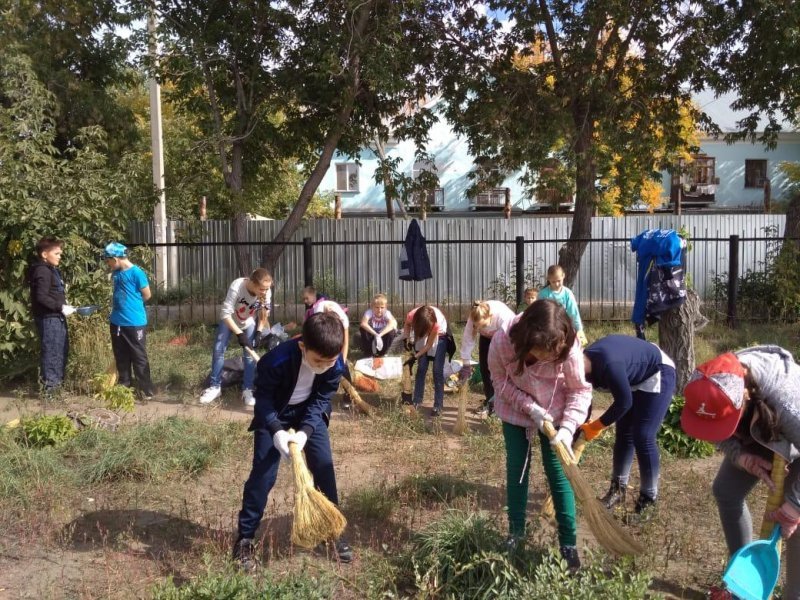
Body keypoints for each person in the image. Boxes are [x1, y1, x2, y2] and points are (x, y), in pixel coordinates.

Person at [232, 312, 352, 571]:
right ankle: (245, 538)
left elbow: (321, 400)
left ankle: (330, 529)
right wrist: (276, 430)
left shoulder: (336, 365)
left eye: (328, 362)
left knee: (323, 467)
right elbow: (263, 400)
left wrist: (305, 432)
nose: (323, 366)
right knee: (263, 476)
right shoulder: (275, 361)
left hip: (309, 414)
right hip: (276, 413)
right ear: (302, 346)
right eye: (318, 361)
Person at [681, 348, 799, 598]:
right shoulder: (706, 384)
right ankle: (744, 582)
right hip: (758, 426)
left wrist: (794, 505)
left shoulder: (787, 399)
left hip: (791, 434)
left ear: (744, 396)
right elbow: (712, 430)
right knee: (726, 491)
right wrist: (742, 457)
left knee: (796, 522)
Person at [488, 299, 592, 570]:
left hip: (555, 414)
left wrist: (568, 428)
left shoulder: (566, 346)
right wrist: (528, 407)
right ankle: (516, 534)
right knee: (517, 470)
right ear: (524, 341)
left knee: (559, 474)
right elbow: (498, 381)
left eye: (551, 355)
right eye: (541, 353)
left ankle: (568, 544)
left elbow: (579, 390)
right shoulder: (502, 342)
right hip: (515, 408)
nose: (547, 359)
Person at [579, 335, 676, 515]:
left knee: (643, 436)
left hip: (657, 371)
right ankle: (617, 491)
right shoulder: (583, 366)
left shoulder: (609, 366)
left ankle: (648, 501)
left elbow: (624, 403)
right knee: (624, 435)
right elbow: (583, 398)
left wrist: (596, 426)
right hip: (633, 376)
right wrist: (583, 423)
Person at [200, 269, 272, 407]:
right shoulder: (237, 286)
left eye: (267, 289)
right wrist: (239, 334)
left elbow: (264, 314)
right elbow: (225, 314)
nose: (265, 292)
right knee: (218, 349)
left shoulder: (266, 291)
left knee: (249, 355)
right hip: (230, 320)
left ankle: (248, 389)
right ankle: (215, 387)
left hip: (249, 321)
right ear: (252, 282)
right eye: (262, 289)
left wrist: (258, 332)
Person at [103, 242, 155, 400]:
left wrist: (133, 307)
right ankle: (124, 387)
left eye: (108, 260)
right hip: (117, 322)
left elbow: (147, 295)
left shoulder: (136, 273)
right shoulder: (117, 273)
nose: (107, 264)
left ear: (115, 258)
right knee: (121, 355)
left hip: (134, 322)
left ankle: (146, 390)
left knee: (138, 356)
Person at [28, 236, 76, 395]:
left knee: (61, 349)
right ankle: (51, 390)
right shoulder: (42, 270)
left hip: (56, 316)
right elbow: (41, 297)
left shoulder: (51, 270)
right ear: (44, 254)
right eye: (56, 253)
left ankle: (56, 386)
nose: (60, 256)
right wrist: (60, 306)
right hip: (49, 318)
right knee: (52, 351)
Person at [459, 300, 516, 417]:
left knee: (501, 372)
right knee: (485, 369)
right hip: (486, 339)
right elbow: (468, 339)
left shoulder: (503, 316)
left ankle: (505, 403)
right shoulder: (474, 316)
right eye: (478, 327)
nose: (481, 328)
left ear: (490, 316)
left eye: (484, 326)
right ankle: (490, 402)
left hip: (506, 339)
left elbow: (512, 340)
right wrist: (466, 364)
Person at [402, 305, 448, 417]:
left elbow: (428, 346)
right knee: (421, 368)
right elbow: (407, 325)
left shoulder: (436, 325)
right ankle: (417, 401)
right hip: (422, 331)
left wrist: (414, 357)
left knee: (437, 371)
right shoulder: (411, 316)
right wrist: (406, 338)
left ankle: (438, 405)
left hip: (440, 337)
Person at [538, 265, 588, 346]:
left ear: (563, 276)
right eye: (553, 282)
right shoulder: (543, 294)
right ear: (548, 279)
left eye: (559, 281)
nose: (557, 284)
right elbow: (539, 312)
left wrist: (579, 329)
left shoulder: (567, 293)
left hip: (564, 326)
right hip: (549, 326)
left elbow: (574, 312)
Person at [359, 293, 397, 358]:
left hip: (383, 333)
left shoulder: (387, 313)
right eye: (377, 307)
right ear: (372, 307)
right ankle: (369, 353)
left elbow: (392, 324)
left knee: (392, 331)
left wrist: (380, 335)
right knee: (363, 329)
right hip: (372, 333)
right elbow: (363, 323)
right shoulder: (369, 312)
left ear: (385, 307)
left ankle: (382, 353)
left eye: (382, 307)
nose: (379, 310)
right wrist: (376, 334)